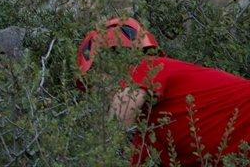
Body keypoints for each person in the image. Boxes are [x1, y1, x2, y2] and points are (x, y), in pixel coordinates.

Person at [77, 17, 250, 165]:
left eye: (93, 80)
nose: (94, 91)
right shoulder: (148, 138)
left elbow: (123, 109)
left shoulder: (148, 67)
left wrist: (99, 155)